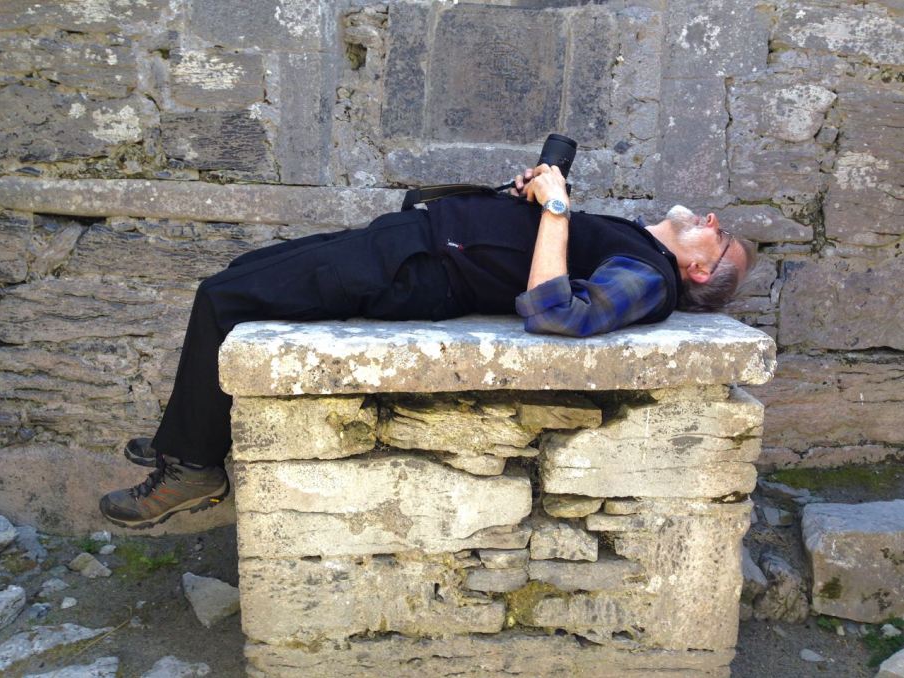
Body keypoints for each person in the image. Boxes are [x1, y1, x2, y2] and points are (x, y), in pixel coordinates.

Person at [99, 164, 756, 529]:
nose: (710, 219)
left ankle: (192, 469)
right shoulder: (636, 243)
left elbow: (557, 312)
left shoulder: (651, 278)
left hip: (417, 270)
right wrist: (528, 200)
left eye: (718, 235)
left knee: (224, 297)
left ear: (700, 272)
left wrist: (556, 207)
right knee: (241, 274)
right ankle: (191, 433)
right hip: (411, 242)